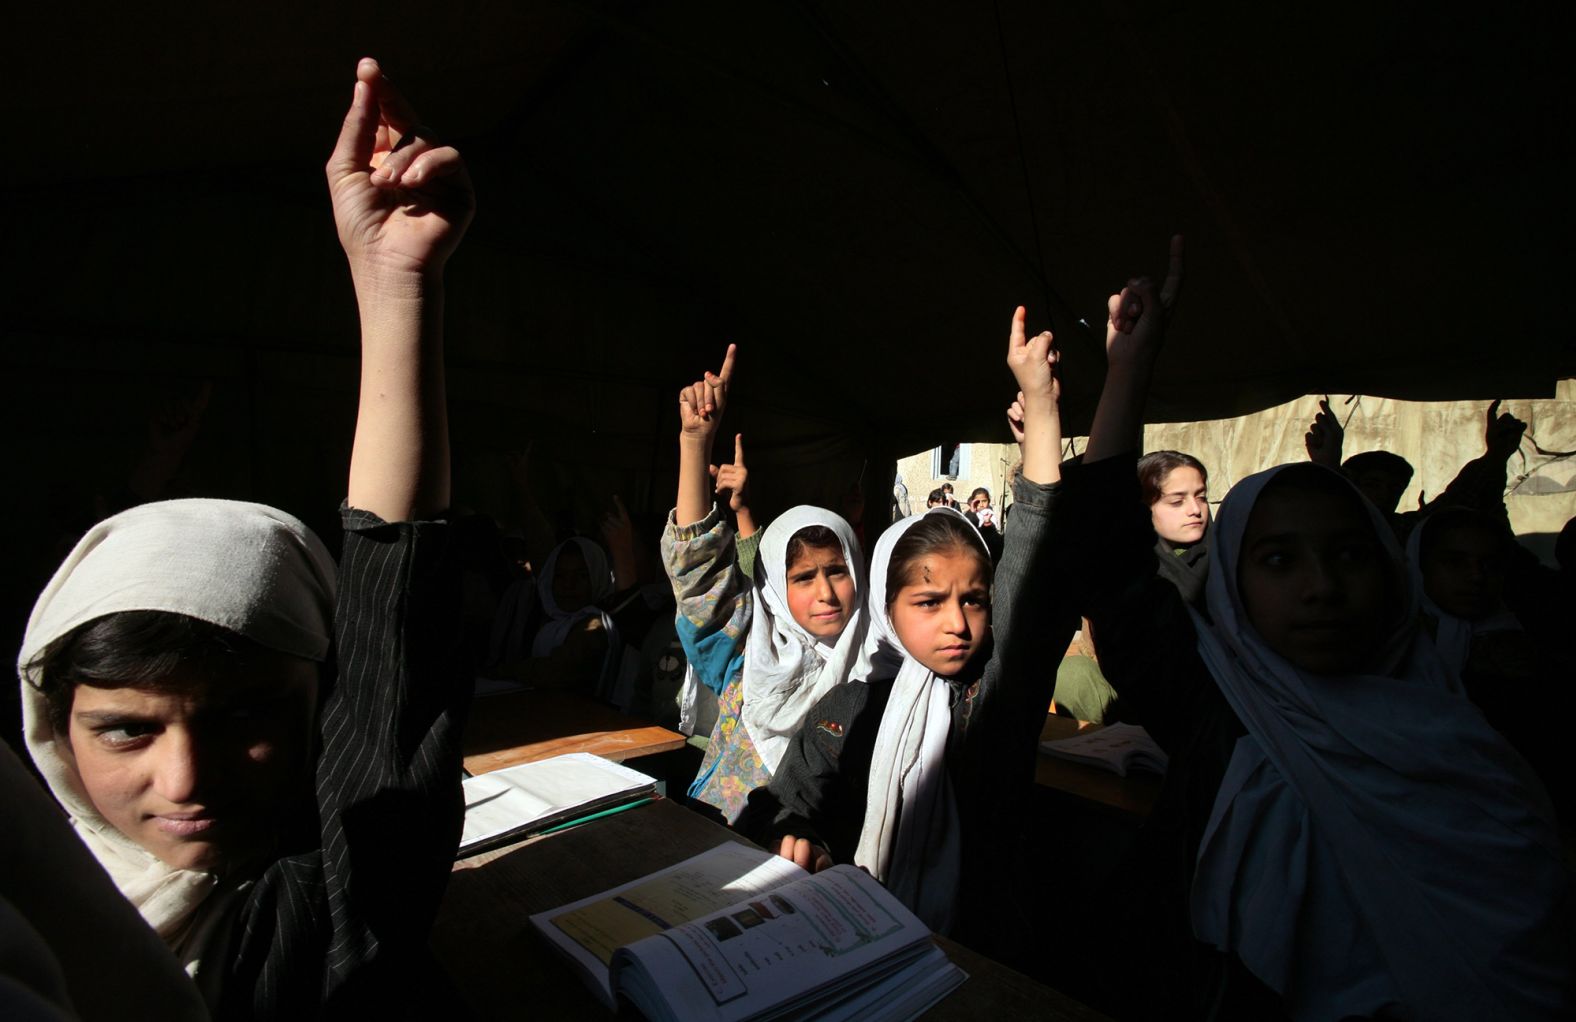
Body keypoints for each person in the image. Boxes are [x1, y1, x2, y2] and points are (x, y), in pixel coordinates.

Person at [17, 58, 475, 1016]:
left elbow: (397, 623)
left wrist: (395, 292)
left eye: (244, 717)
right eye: (127, 728)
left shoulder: (322, 914)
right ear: (53, 724)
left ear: (324, 699)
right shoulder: (30, 902)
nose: (186, 781)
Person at [1067, 236, 1571, 1020]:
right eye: (1277, 561)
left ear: (1393, 577)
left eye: (1348, 555)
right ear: (1235, 589)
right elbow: (1107, 555)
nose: (1322, 587)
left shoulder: (1464, 737)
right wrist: (1130, 369)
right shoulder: (1220, 709)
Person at [735, 303, 1072, 943]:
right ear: (885, 612)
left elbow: (1039, 570)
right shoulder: (849, 708)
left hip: (979, 950)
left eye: (973, 599)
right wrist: (794, 834)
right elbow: (785, 802)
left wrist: (1042, 409)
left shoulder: (993, 698)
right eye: (928, 602)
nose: (958, 623)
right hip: (853, 937)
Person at [661, 347, 869, 822]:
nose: (825, 592)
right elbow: (698, 576)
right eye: (803, 577)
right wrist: (695, 443)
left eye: (837, 571)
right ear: (775, 589)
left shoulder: (875, 669)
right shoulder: (748, 658)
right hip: (716, 847)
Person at [1137, 450, 1211, 606]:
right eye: (1177, 502)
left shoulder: (1230, 560)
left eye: (1201, 498)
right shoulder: (1123, 577)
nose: (1195, 510)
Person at [964, 487, 1005, 562]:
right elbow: (967, 529)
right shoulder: (970, 514)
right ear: (973, 502)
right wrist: (972, 512)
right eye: (978, 502)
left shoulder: (990, 515)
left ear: (988, 501)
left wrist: (987, 524)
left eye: (984, 501)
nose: (981, 504)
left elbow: (994, 537)